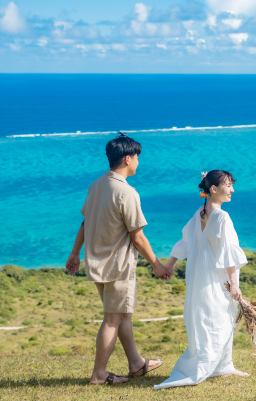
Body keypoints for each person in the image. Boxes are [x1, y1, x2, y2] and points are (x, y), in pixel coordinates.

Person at [65, 132, 169, 386]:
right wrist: (157, 265)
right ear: (127, 159)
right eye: (137, 157)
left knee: (122, 314)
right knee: (112, 319)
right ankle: (99, 374)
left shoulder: (96, 185)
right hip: (118, 266)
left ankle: (136, 363)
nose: (138, 162)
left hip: (97, 263)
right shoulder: (127, 192)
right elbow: (138, 237)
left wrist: (75, 253)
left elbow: (85, 222)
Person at [154, 169, 250, 390]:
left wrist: (170, 264)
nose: (232, 190)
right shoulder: (222, 216)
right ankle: (212, 365)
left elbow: (186, 241)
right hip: (215, 277)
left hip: (197, 276)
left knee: (207, 318)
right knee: (220, 319)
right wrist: (234, 283)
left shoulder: (201, 212)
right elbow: (228, 252)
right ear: (214, 189)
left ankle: (224, 365)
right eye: (228, 185)